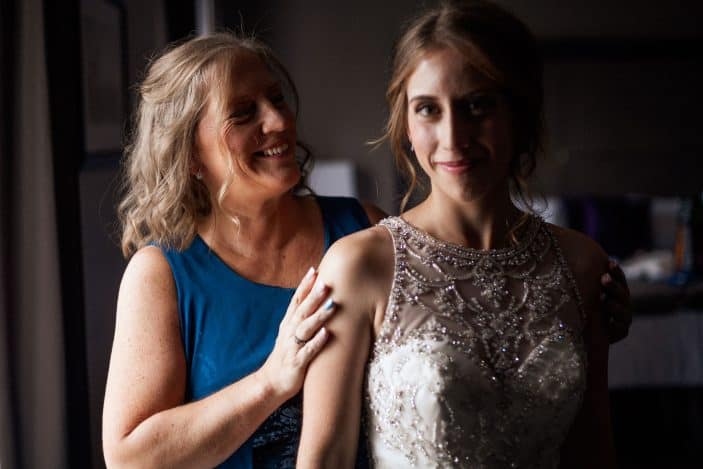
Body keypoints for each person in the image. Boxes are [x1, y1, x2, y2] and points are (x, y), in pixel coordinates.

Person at [102, 29, 628, 468]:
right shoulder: (164, 274)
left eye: (277, 98)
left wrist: (573, 313)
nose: (279, 121)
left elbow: (459, 352)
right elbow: (129, 457)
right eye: (243, 113)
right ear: (190, 153)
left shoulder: (363, 230)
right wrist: (270, 382)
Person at [297, 2, 619, 468]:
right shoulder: (360, 266)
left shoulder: (582, 265)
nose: (454, 137)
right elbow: (324, 460)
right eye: (428, 109)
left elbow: (595, 453)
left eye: (477, 105)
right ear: (405, 124)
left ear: (519, 113)